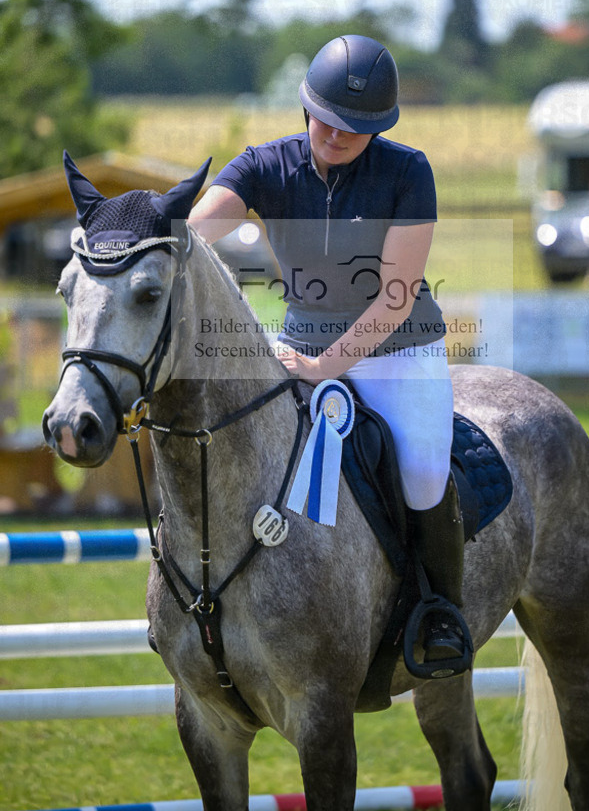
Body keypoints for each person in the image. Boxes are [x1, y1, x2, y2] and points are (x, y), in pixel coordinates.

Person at [189, 34, 469, 669]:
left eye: (355, 128)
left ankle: (440, 611)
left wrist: (321, 369)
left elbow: (395, 298)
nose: (336, 136)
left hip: (399, 352)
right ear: (305, 108)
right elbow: (193, 233)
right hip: (302, 343)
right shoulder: (263, 166)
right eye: (328, 120)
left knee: (424, 471)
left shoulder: (408, 173)